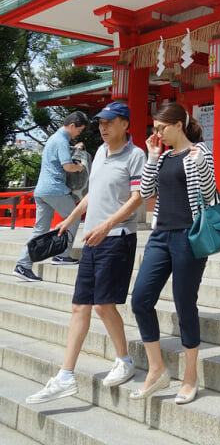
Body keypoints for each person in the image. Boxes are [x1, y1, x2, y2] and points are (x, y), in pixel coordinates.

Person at [25, 101, 146, 403]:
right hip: (92, 238)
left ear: (125, 125)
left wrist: (107, 225)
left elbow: (137, 198)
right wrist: (70, 217)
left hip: (117, 237)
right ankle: (65, 376)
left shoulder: (136, 155)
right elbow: (93, 192)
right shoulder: (101, 153)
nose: (102, 127)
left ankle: (125, 360)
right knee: (80, 306)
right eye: (100, 122)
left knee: (104, 305)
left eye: (109, 122)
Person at [130, 101, 217, 404]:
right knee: (140, 299)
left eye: (161, 128)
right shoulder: (163, 155)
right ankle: (157, 370)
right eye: (154, 128)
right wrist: (152, 157)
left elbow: (211, 195)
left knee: (184, 304)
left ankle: (190, 376)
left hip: (188, 236)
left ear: (179, 125)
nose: (157, 133)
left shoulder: (200, 153)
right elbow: (145, 192)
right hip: (160, 235)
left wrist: (202, 165)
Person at [13, 110, 89, 282]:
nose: (79, 133)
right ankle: (62, 255)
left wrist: (74, 149)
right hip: (55, 189)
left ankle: (23, 265)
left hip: (41, 190)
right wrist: (79, 167)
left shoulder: (54, 138)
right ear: (71, 126)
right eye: (79, 130)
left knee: (40, 229)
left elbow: (58, 156)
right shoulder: (62, 140)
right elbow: (67, 166)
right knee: (74, 217)